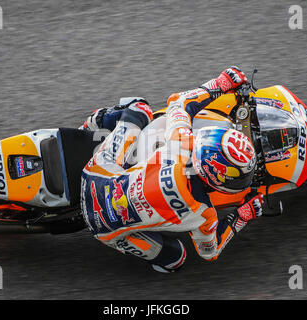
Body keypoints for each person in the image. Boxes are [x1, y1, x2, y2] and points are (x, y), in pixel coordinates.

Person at [80, 67, 264, 273]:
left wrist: (219, 85)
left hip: (95, 174)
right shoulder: (205, 214)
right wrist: (242, 216)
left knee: (140, 108)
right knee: (176, 260)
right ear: (214, 176)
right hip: (102, 229)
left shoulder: (181, 143)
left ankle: (91, 124)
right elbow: (209, 252)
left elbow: (178, 102)